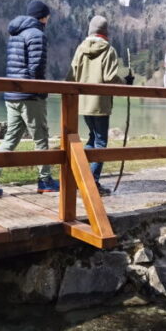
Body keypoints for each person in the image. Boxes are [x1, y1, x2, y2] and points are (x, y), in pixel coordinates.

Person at [0, 0, 59, 198]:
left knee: (11, 137)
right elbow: (37, 67)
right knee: (40, 136)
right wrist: (39, 90)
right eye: (47, 16)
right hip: (29, 95)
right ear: (43, 16)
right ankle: (45, 179)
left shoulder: (15, 34)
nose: (48, 19)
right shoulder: (37, 34)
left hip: (12, 94)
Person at [66, 15, 133, 196]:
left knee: (92, 138)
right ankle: (92, 182)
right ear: (105, 32)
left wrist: (69, 92)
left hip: (83, 102)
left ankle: (79, 174)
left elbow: (71, 75)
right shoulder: (108, 50)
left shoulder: (81, 48)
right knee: (101, 141)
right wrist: (126, 84)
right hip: (100, 103)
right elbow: (110, 77)